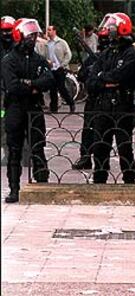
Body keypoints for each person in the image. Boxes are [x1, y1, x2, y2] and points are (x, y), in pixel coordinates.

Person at [2, 18, 55, 203]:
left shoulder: (38, 59)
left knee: (38, 147)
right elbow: (12, 86)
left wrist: (30, 83)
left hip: (34, 108)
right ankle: (14, 189)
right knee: (14, 151)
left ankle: (42, 184)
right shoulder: (9, 59)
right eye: (29, 35)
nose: (32, 39)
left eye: (34, 35)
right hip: (15, 108)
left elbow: (48, 80)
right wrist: (33, 85)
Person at [86, 12, 135, 184]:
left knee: (124, 146)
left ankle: (129, 178)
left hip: (123, 105)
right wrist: (105, 81)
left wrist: (105, 77)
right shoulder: (107, 53)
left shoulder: (131, 53)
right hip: (103, 105)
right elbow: (92, 80)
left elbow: (121, 76)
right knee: (100, 145)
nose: (109, 31)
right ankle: (99, 178)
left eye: (112, 28)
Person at [72, 29, 111, 170]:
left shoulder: (112, 58)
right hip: (93, 99)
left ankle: (101, 160)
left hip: (107, 99)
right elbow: (81, 75)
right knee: (88, 129)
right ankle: (85, 157)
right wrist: (89, 70)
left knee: (104, 132)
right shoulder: (93, 57)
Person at [46, 25, 75, 113]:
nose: (48, 32)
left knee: (61, 88)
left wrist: (63, 64)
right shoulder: (47, 43)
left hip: (60, 68)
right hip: (51, 68)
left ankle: (71, 103)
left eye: (50, 30)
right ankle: (54, 108)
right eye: (48, 30)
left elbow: (68, 54)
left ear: (55, 31)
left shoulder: (61, 42)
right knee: (52, 89)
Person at [1, 16, 16, 166]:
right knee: (2, 120)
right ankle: (7, 151)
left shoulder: (19, 48)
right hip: (2, 92)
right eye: (3, 31)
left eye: (8, 31)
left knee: (16, 123)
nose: (5, 34)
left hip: (15, 92)